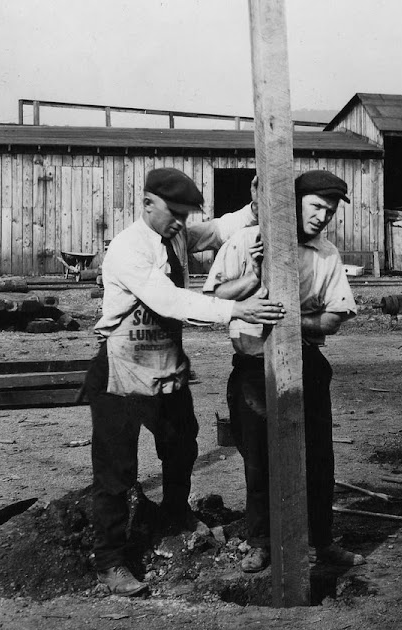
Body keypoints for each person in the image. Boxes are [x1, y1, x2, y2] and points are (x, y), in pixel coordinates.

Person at [84, 168, 286, 596]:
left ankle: (175, 513)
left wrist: (255, 205)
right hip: (122, 366)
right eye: (173, 213)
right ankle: (111, 562)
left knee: (182, 442)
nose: (180, 222)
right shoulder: (127, 249)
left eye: (184, 215)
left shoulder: (175, 234)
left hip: (164, 362)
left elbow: (213, 231)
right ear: (148, 204)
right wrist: (236, 310)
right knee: (116, 468)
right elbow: (169, 300)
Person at [203, 170, 365, 572]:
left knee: (318, 458)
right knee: (259, 458)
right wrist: (253, 280)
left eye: (329, 212)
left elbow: (332, 319)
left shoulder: (326, 254)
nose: (322, 217)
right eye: (315, 207)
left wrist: (286, 319)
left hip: (307, 364)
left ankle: (322, 541)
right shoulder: (244, 241)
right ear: (292, 203)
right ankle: (262, 542)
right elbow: (215, 298)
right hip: (254, 366)